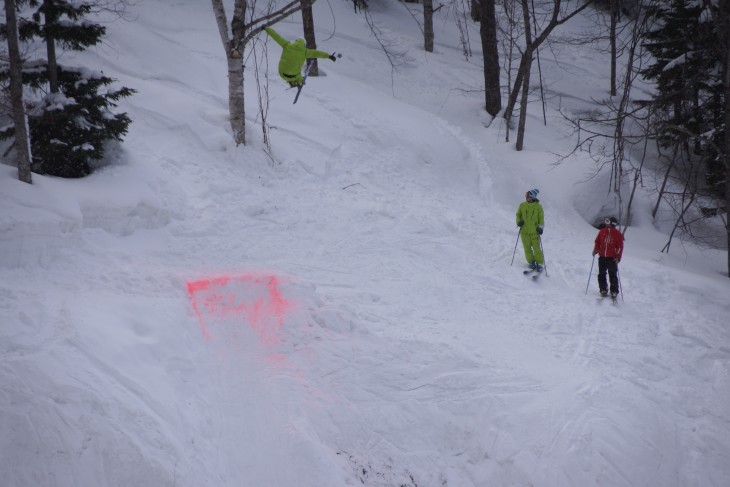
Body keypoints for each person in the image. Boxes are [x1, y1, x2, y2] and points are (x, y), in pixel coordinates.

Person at [264, 26, 337, 87]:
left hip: (282, 73)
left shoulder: (287, 45)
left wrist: (266, 28)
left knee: (290, 68)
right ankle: (299, 82)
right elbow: (318, 53)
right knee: (299, 76)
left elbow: (276, 36)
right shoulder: (306, 52)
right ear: (304, 45)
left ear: (296, 41)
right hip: (293, 75)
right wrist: (329, 56)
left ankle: (293, 82)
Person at [592, 216, 624, 297]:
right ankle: (603, 289)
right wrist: (596, 250)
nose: (606, 224)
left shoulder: (618, 234)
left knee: (612, 274)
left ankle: (614, 291)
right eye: (606, 222)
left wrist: (618, 257)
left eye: (608, 222)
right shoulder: (602, 232)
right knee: (601, 274)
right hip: (602, 256)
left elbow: (620, 247)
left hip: (612, 258)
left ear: (612, 224)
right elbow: (597, 242)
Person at [516, 188, 545, 272]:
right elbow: (518, 215)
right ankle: (531, 262)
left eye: (528, 196)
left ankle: (539, 263)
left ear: (532, 197)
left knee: (536, 248)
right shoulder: (522, 205)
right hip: (524, 232)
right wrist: (518, 222)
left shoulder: (538, 207)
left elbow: (541, 218)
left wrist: (540, 228)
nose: (526, 197)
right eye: (526, 195)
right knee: (527, 248)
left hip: (534, 232)